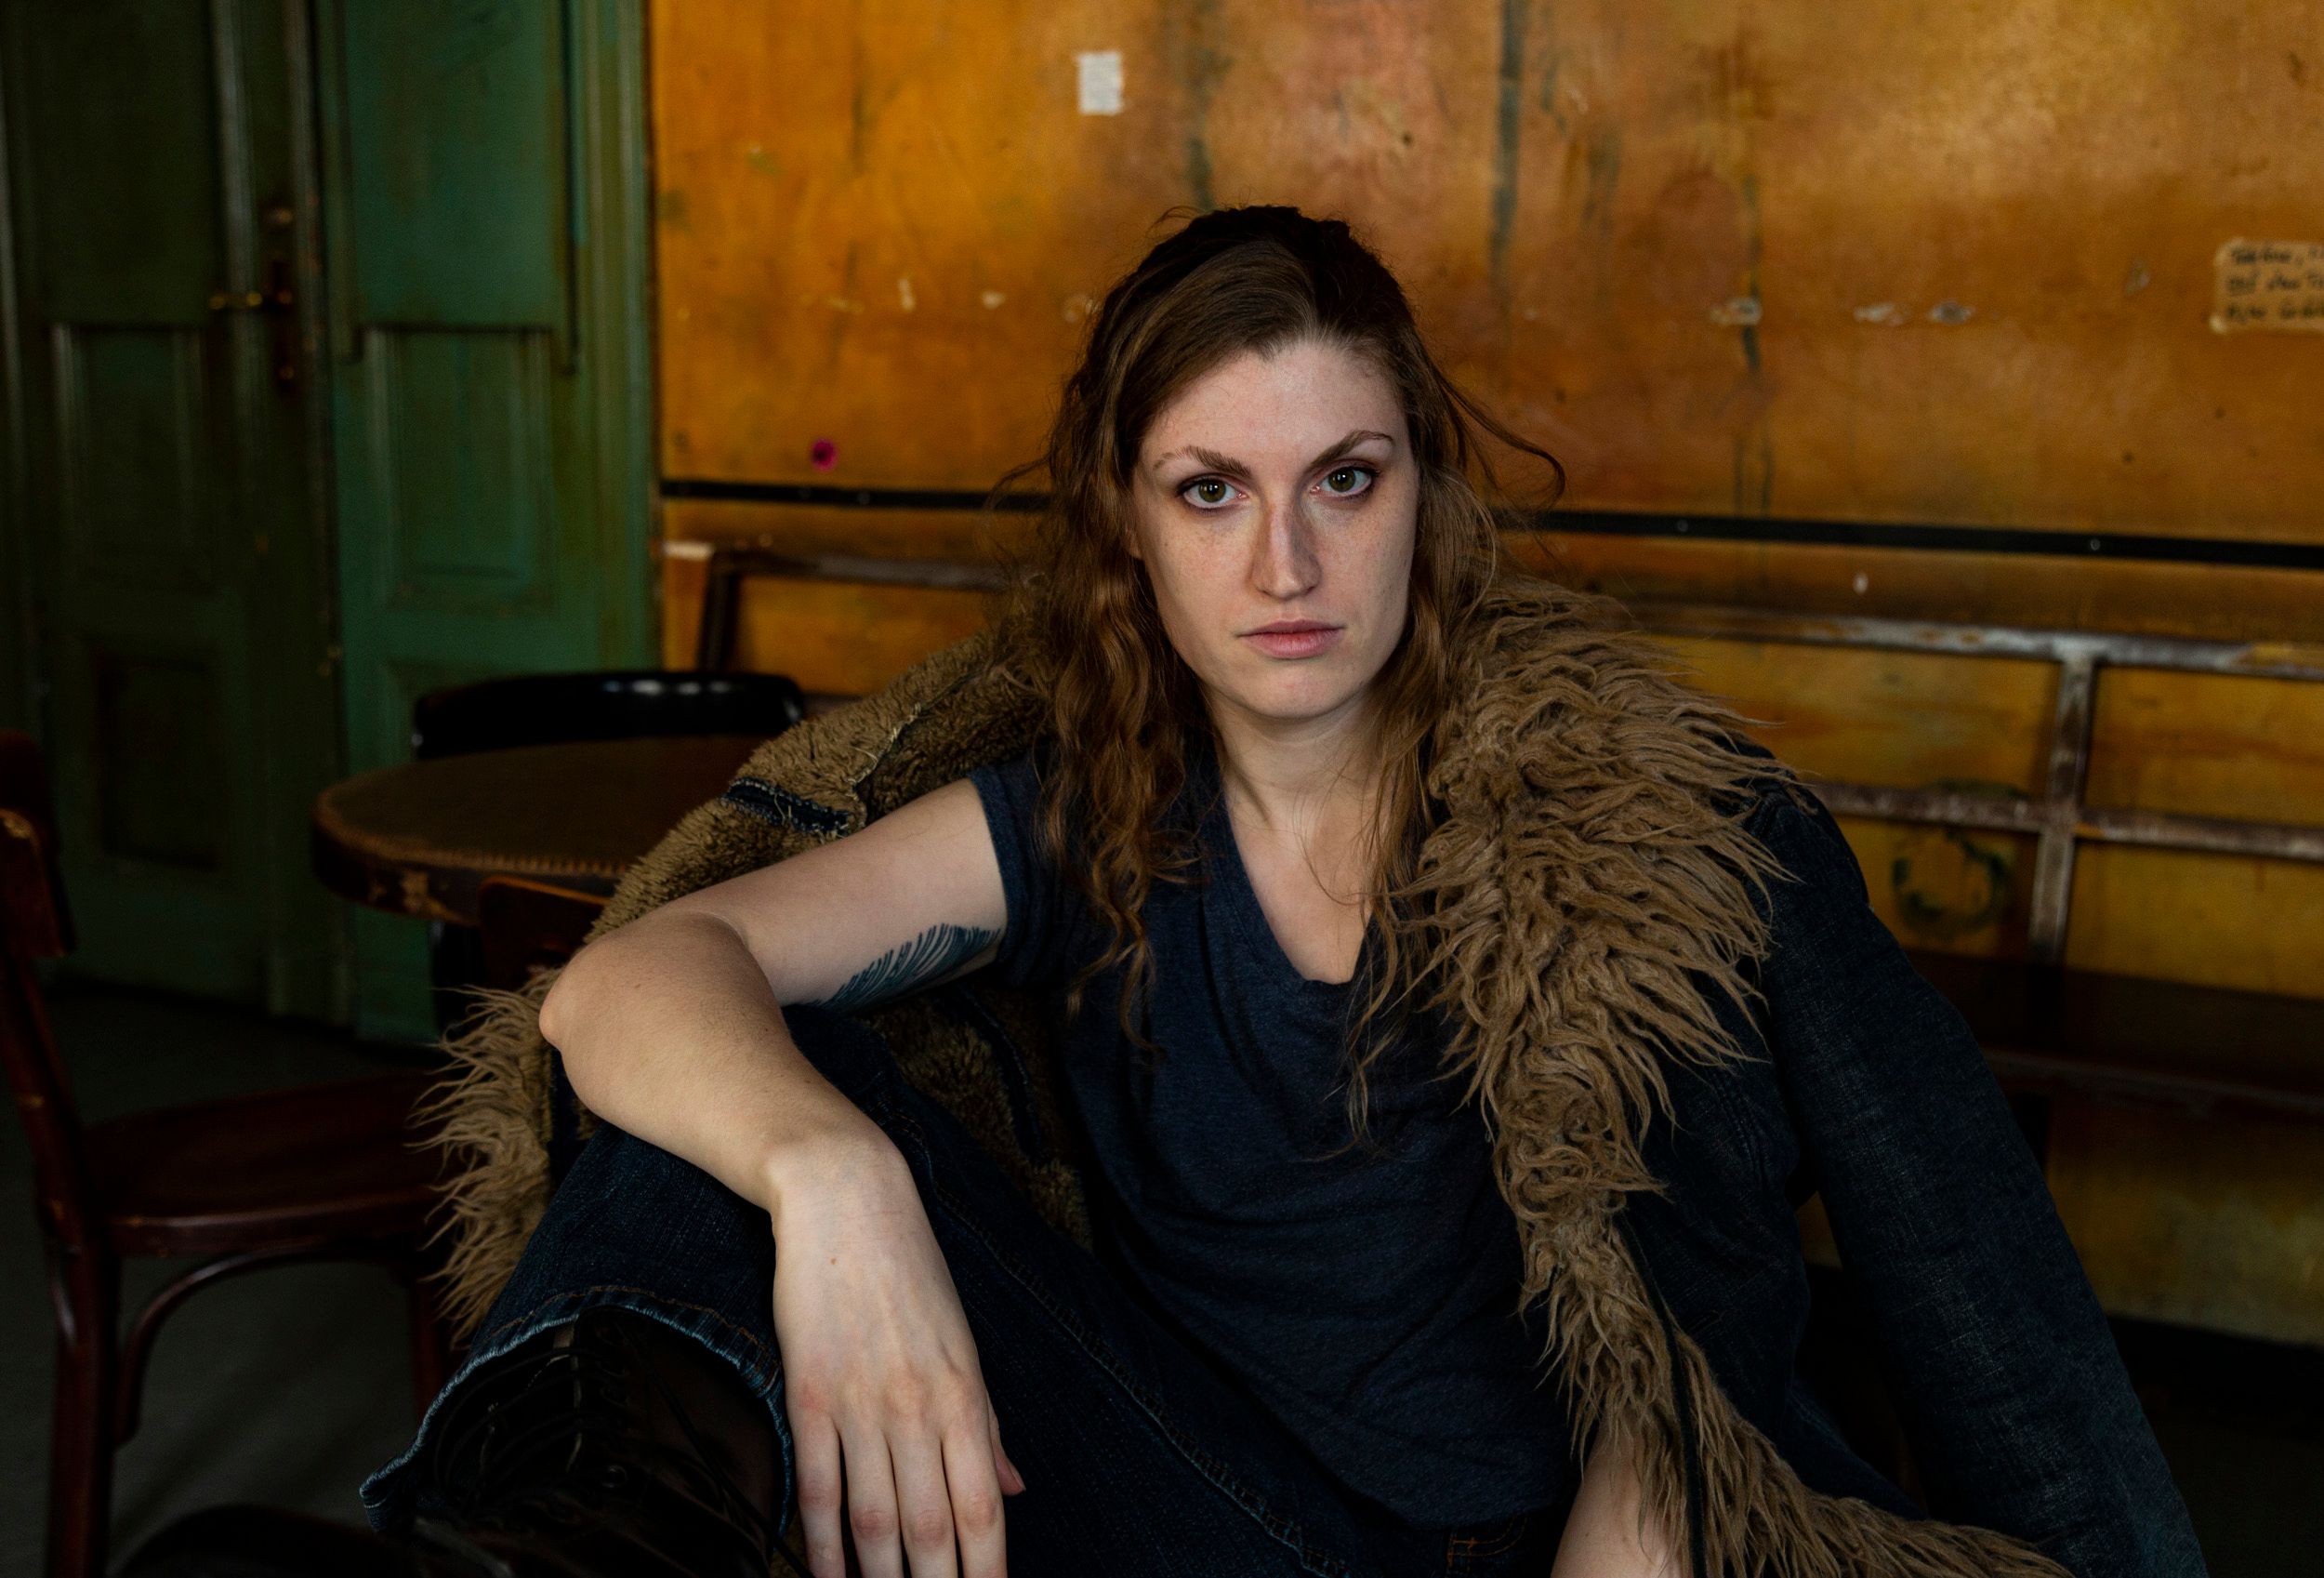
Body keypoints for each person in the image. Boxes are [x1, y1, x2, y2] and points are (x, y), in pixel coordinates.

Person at [328, 206, 2198, 1578]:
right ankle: (544, 1561)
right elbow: (626, 980)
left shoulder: (1628, 842)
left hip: (1531, 1546)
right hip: (1207, 1509)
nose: (1285, 563)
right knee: (733, 1106)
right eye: (1210, 491)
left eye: (1344, 480)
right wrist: (840, 1187)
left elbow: (1753, 1340)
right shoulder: (1083, 822)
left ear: (1423, 497)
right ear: (1129, 535)